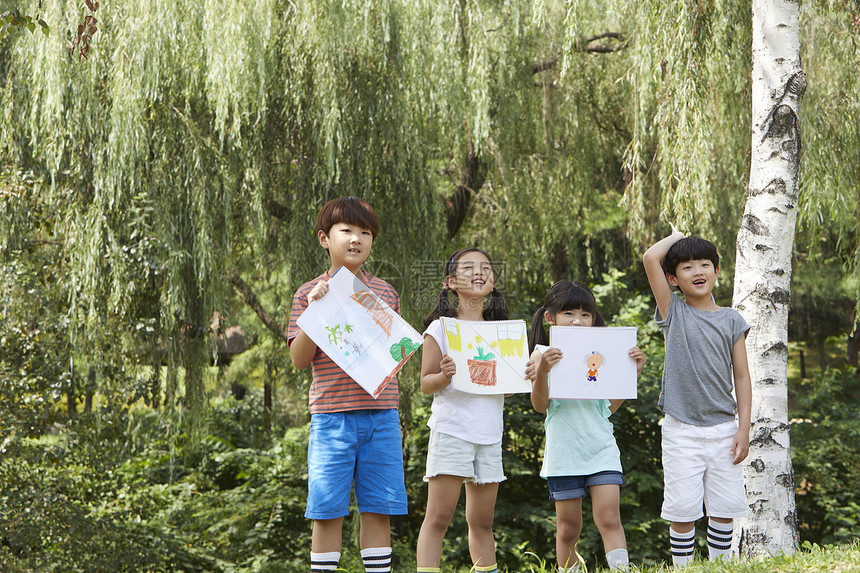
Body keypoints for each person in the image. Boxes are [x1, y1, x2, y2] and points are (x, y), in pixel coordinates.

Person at [288, 196, 406, 573]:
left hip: (381, 415)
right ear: (325, 238)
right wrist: (316, 309)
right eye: (347, 231)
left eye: (365, 232)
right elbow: (299, 359)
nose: (356, 239)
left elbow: (395, 354)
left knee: (379, 508)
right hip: (331, 417)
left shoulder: (386, 293)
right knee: (327, 510)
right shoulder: (308, 293)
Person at [642, 226, 752, 568]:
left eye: (704, 264)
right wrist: (678, 238)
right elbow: (650, 258)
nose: (698, 272)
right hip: (681, 430)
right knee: (683, 509)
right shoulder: (673, 312)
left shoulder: (731, 319)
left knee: (723, 509)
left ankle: (721, 566)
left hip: (723, 428)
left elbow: (743, 377)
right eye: (687, 267)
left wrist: (743, 429)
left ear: (717, 272)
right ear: (673, 279)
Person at [526, 281, 646, 572]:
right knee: (568, 529)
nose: (578, 320)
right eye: (569, 313)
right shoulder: (541, 353)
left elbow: (607, 408)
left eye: (585, 314)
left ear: (594, 319)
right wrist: (542, 370)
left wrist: (633, 372)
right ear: (550, 317)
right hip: (563, 452)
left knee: (609, 518)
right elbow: (540, 405)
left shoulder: (602, 353)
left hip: (601, 448)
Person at [415, 247, 511, 573]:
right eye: (468, 267)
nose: (479, 272)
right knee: (439, 518)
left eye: (485, 266)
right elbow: (426, 383)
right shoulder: (440, 329)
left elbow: (508, 386)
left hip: (489, 434)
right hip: (452, 429)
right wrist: (444, 374)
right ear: (450, 281)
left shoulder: (502, 333)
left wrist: (527, 373)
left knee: (482, 521)